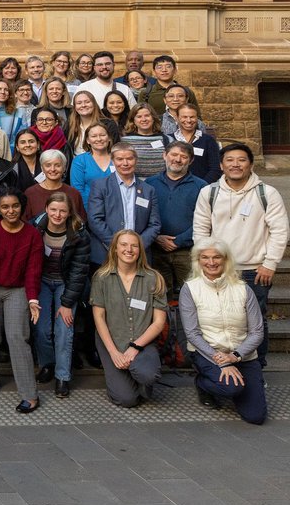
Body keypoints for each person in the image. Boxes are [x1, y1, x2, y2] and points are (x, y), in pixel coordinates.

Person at [193, 142, 288, 367]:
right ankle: (219, 367)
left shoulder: (267, 193)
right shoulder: (209, 192)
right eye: (230, 160)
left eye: (241, 160)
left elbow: (280, 230)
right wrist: (207, 264)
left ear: (251, 164)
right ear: (221, 165)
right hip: (218, 271)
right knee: (218, 321)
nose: (235, 164)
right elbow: (200, 230)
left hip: (255, 271)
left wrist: (270, 263)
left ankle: (256, 368)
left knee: (255, 324)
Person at [179, 240, 266, 424]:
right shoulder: (190, 289)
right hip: (207, 353)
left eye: (216, 257)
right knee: (232, 388)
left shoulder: (243, 288)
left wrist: (235, 356)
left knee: (256, 417)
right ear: (198, 260)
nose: (211, 262)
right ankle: (204, 384)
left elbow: (257, 331)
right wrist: (221, 361)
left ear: (226, 259)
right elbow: (192, 333)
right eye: (205, 257)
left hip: (243, 355)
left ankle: (237, 384)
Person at [0, 190, 43, 411]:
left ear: (21, 207)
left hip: (18, 290)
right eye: (5, 207)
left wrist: (32, 300)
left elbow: (33, 272)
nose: (11, 211)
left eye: (15, 206)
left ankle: (29, 394)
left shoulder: (32, 235)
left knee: (17, 337)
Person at [89, 230, 167, 408]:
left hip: (143, 342)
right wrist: (114, 353)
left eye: (134, 245)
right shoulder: (101, 278)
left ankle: (139, 375)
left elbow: (159, 322)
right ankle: (127, 377)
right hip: (112, 341)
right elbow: (99, 318)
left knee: (148, 375)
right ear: (115, 249)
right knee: (126, 400)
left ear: (140, 250)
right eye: (123, 245)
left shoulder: (154, 278)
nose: (129, 249)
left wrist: (135, 347)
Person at [31, 192, 91, 399]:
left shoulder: (79, 233)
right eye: (54, 209)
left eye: (62, 211)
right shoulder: (35, 228)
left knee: (64, 328)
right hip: (42, 282)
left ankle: (62, 376)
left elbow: (79, 271)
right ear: (46, 209)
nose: (57, 214)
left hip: (66, 283)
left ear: (69, 213)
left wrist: (66, 303)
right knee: (41, 328)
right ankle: (47, 363)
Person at [146, 143, 208, 317]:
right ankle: (164, 337)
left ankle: (189, 337)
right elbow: (145, 215)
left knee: (194, 296)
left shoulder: (201, 186)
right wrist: (157, 237)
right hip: (157, 250)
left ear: (191, 160)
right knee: (159, 297)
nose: (177, 159)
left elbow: (204, 219)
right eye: (173, 154)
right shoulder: (150, 183)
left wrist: (179, 240)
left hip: (187, 251)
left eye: (183, 156)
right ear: (164, 156)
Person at [86, 143, 161, 266]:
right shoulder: (100, 186)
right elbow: (95, 219)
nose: (125, 163)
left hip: (139, 256)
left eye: (129, 159)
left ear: (136, 160)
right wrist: (118, 245)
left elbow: (155, 224)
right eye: (120, 159)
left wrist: (136, 246)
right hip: (106, 253)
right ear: (113, 161)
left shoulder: (148, 190)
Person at [24, 150, 86, 221]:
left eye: (58, 165)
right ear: (42, 168)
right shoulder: (30, 193)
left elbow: (80, 221)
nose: (53, 169)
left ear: (64, 168)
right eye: (48, 165)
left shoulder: (74, 193)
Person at [171, 104, 221, 183]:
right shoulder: (169, 139)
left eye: (192, 117)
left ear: (197, 118)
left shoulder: (208, 140)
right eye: (184, 117)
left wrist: (201, 186)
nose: (188, 120)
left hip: (201, 189)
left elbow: (215, 169)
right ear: (177, 118)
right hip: (172, 187)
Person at [69, 123, 114, 202]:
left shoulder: (118, 158)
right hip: (89, 208)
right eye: (94, 136)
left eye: (102, 135)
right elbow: (77, 190)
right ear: (88, 140)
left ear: (109, 138)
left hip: (116, 208)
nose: (99, 139)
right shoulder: (80, 161)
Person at [67, 90, 120, 155]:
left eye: (87, 102)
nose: (83, 105)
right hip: (76, 163)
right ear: (75, 107)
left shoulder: (108, 124)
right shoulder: (70, 124)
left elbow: (115, 149)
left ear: (94, 104)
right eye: (79, 103)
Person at [121, 104, 167, 179]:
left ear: (153, 118)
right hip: (133, 184)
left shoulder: (166, 139)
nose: (144, 119)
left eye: (147, 115)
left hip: (160, 183)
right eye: (139, 117)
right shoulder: (124, 141)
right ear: (133, 120)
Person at [0, 129, 42, 196]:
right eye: (23, 142)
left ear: (38, 145)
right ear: (17, 147)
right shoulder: (11, 170)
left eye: (31, 141)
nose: (28, 145)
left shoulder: (48, 165)